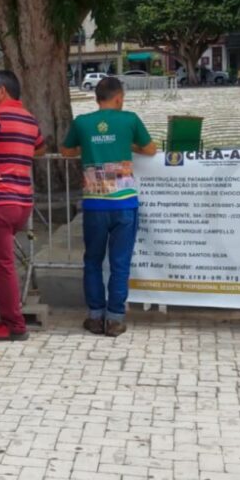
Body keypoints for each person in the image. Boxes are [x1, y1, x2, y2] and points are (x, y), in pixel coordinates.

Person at [60, 76, 157, 337]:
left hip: (94, 205)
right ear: (119, 98)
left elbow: (66, 151)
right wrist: (127, 144)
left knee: (92, 260)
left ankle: (94, 316)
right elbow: (150, 149)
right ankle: (115, 319)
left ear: (96, 98)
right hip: (125, 204)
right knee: (120, 262)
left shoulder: (82, 123)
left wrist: (90, 146)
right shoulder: (130, 120)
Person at [0, 70, 46, 341]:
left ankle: (14, 325)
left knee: (2, 265)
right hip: (23, 203)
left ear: (2, 91)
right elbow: (39, 148)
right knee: (4, 264)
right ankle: (0, 294)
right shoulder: (30, 120)